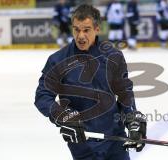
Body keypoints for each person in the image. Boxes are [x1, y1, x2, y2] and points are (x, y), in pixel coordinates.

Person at [34, 4, 147, 160]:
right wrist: (62, 116)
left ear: (97, 29)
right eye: (76, 29)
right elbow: (42, 97)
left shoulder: (113, 56)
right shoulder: (57, 61)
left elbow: (124, 92)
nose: (81, 36)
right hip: (83, 142)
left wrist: (132, 117)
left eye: (86, 30)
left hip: (115, 139)